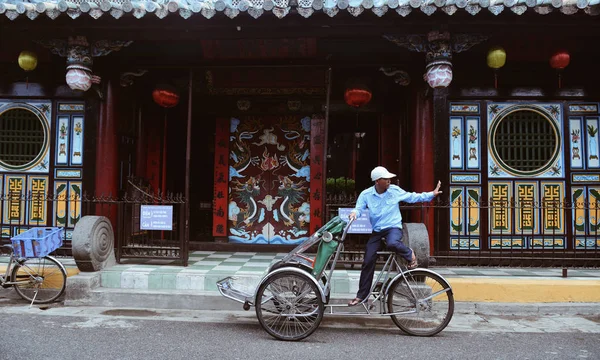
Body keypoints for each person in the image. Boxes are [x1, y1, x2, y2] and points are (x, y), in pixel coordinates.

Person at [347, 166, 442, 306]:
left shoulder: (395, 191)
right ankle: (362, 296)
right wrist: (354, 213)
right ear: (378, 181)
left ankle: (409, 254)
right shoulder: (366, 194)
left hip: (393, 228)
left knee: (392, 243)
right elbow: (359, 208)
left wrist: (431, 194)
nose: (389, 181)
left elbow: (412, 196)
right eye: (386, 179)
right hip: (377, 230)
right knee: (368, 260)